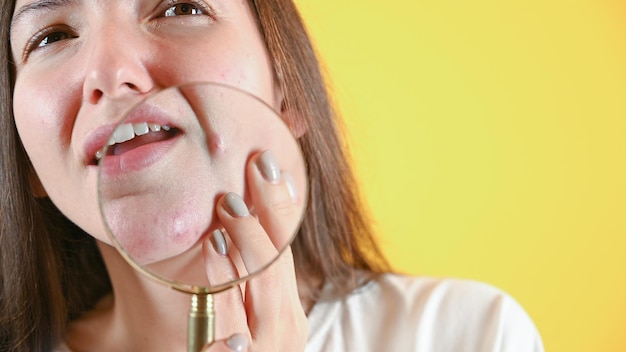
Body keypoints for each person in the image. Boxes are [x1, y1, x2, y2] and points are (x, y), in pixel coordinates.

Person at [0, 0, 544, 351]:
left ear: (287, 91)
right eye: (49, 36)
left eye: (180, 6)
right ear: (26, 160)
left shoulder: (471, 334)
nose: (110, 72)